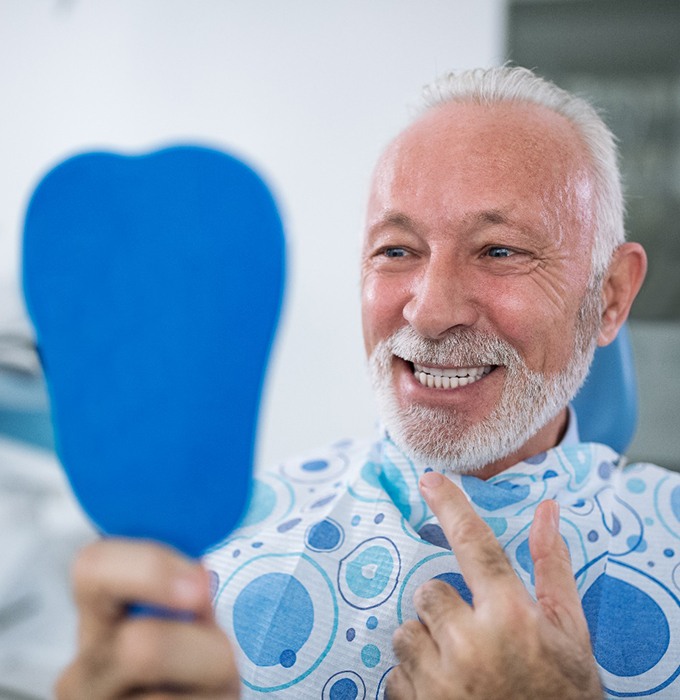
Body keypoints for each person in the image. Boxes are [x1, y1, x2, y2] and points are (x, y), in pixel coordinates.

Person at [56, 66, 680, 700]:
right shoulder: (213, 557)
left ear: (610, 296)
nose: (430, 311)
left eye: (499, 251)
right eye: (397, 250)